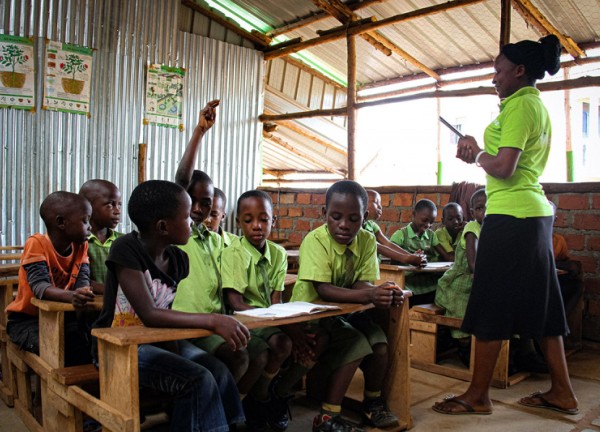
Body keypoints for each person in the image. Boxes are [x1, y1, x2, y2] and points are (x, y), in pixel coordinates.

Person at [432, 35, 578, 416]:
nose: (493, 77)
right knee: (543, 307)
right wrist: (480, 152)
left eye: (498, 71)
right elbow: (511, 164)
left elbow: (503, 168)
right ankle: (562, 391)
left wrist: (477, 152)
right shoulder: (533, 106)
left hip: (512, 216)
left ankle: (477, 395)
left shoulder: (520, 107)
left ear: (520, 70)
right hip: (533, 215)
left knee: (490, 302)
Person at [92, 180, 248, 431]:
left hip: (158, 342)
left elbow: (164, 313)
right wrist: (214, 320)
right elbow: (151, 314)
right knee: (198, 378)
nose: (193, 222)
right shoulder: (126, 249)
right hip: (119, 348)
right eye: (186, 217)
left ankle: (233, 425)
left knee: (218, 370)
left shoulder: (177, 259)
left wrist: (176, 354)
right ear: (163, 227)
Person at [282, 180, 407, 432]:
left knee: (380, 345)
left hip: (344, 312)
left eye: (353, 219)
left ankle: (372, 403)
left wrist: (381, 292)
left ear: (365, 217)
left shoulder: (367, 241)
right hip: (312, 313)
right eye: (336, 216)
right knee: (356, 345)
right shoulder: (315, 240)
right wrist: (371, 294)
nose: (344, 225)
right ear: (324, 214)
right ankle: (328, 417)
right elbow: (323, 290)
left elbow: (362, 282)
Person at [171, 100, 254, 386]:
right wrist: (199, 132)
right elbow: (181, 181)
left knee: (252, 351)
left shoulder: (217, 240)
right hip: (183, 327)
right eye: (191, 200)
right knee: (233, 360)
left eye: (205, 203)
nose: (197, 207)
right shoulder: (176, 236)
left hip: (214, 324)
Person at [222, 190, 293, 431]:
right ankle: (240, 404)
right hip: (244, 319)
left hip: (268, 318)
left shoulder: (279, 253)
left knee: (290, 343)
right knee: (263, 353)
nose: (257, 226)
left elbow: (276, 298)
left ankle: (262, 393)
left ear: (274, 220)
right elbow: (236, 302)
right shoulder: (233, 253)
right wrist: (271, 317)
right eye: (248, 219)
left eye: (264, 219)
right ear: (238, 222)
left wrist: (281, 316)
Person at [6, 191, 95, 366]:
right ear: (61, 222)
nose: (90, 226)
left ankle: (87, 389)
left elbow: (82, 278)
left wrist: (82, 291)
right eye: (85, 221)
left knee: (92, 340)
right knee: (64, 349)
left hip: (62, 317)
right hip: (28, 321)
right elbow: (40, 287)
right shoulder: (37, 243)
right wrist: (73, 296)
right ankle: (51, 392)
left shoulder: (81, 245)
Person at [434, 189, 486, 367]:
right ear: (472, 213)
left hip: (474, 283)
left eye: (489, 208)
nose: (485, 212)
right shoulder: (472, 228)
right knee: (462, 309)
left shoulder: (491, 229)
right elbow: (473, 265)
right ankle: (463, 346)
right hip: (456, 284)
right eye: (480, 208)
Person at [390, 199, 451, 306]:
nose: (428, 225)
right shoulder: (400, 235)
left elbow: (444, 255)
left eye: (431, 222)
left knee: (443, 286)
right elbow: (393, 260)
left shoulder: (431, 235)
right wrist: (411, 258)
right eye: (424, 220)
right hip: (407, 280)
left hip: (426, 279)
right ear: (413, 215)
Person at [79, 179, 123, 295]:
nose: (117, 211)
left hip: (118, 308)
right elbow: (76, 279)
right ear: (88, 206)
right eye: (110, 204)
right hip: (87, 306)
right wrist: (111, 291)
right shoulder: (78, 242)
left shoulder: (123, 242)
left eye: (119, 205)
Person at [363, 189, 426, 266]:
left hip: (373, 270)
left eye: (380, 203)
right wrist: (407, 258)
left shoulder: (372, 225)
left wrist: (411, 256)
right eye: (376, 202)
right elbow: (377, 246)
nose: (380, 206)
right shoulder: (356, 228)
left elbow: (387, 244)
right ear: (362, 204)